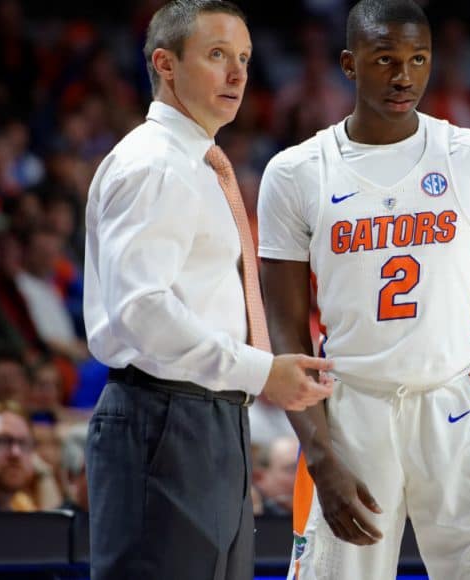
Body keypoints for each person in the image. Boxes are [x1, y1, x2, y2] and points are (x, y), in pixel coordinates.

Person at [258, 1, 470, 577]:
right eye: (385, 59)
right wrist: (320, 457)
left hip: (453, 403)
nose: (404, 75)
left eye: (418, 59)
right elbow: (284, 327)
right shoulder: (295, 171)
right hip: (349, 406)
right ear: (349, 64)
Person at [81, 2, 333, 578]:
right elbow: (141, 311)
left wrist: (253, 376)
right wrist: (260, 370)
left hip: (210, 415)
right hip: (162, 414)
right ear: (165, 64)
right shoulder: (154, 165)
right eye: (218, 55)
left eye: (244, 58)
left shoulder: (199, 164)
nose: (239, 75)